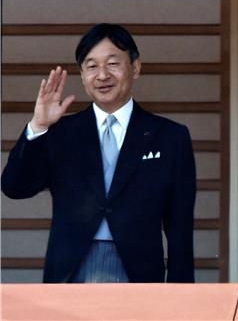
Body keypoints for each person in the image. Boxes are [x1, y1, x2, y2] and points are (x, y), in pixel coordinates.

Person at [2, 23, 196, 283]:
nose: (102, 75)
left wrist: (181, 293)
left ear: (135, 67)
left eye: (113, 63)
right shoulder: (61, 132)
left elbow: (180, 226)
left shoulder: (171, 137)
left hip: (139, 271)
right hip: (71, 269)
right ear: (82, 77)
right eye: (92, 66)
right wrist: (38, 127)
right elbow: (15, 187)